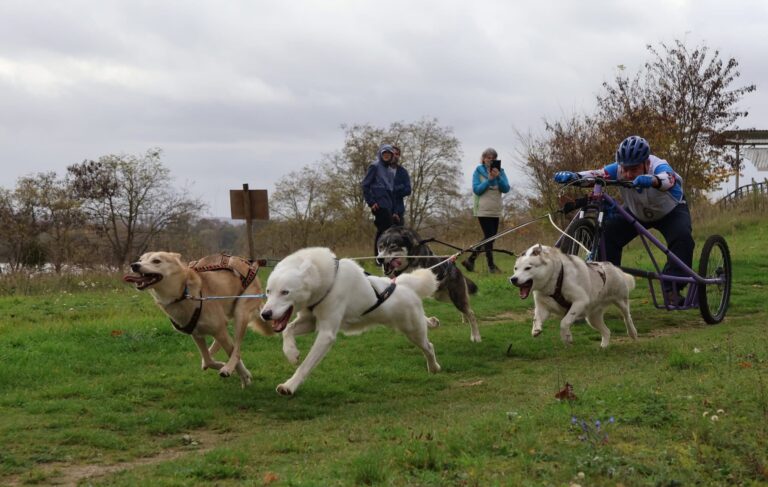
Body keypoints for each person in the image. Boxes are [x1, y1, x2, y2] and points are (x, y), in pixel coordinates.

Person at [553, 135, 694, 304]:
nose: (627, 174)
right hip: (637, 211)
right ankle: (608, 285)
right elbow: (597, 174)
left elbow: (669, 179)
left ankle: (672, 289)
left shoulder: (658, 165)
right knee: (609, 234)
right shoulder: (619, 169)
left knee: (683, 237)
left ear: (646, 163)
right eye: (624, 168)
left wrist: (653, 180)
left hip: (671, 210)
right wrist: (574, 177)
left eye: (633, 169)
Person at [462, 147, 511, 274]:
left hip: (495, 209)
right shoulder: (478, 172)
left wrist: (498, 177)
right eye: (488, 158)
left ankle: (471, 260)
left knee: (491, 238)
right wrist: (489, 180)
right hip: (482, 209)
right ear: (483, 159)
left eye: (493, 158)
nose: (491, 160)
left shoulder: (501, 172)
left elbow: (506, 189)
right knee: (489, 237)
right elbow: (477, 190)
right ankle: (491, 266)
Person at [362, 144, 397, 256]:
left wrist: (394, 211)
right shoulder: (374, 166)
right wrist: (371, 202)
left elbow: (392, 192)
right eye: (384, 153)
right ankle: (378, 256)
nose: (386, 155)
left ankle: (385, 255)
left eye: (388, 154)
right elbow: (365, 185)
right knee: (383, 229)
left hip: (388, 204)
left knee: (390, 230)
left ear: (392, 156)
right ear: (381, 154)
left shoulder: (391, 171)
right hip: (378, 204)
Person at [391, 145, 411, 226]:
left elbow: (408, 190)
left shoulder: (403, 172)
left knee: (401, 236)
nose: (394, 155)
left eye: (397, 154)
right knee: (382, 236)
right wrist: (400, 187)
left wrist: (394, 190)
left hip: (399, 211)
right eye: (392, 153)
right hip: (385, 211)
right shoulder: (382, 171)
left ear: (399, 156)